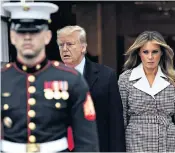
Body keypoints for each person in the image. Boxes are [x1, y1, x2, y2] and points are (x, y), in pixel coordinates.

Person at [1, 2, 99, 153]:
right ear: (12, 37)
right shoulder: (3, 79)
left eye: (35, 32)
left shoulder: (71, 79)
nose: (27, 37)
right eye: (21, 32)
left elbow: (87, 143)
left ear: (47, 37)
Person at [56, 25, 126, 152]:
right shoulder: (50, 76)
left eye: (70, 44)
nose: (64, 49)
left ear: (83, 47)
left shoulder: (106, 76)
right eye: (61, 45)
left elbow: (115, 124)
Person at [118, 31, 175, 152]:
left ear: (162, 53)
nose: (150, 57)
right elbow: (121, 118)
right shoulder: (125, 79)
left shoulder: (172, 79)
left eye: (155, 52)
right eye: (145, 52)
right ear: (139, 53)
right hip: (135, 142)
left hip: (168, 142)